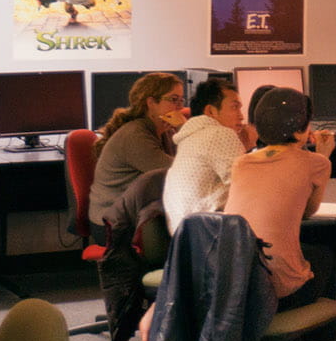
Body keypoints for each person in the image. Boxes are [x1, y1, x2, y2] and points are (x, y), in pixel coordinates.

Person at [222, 87, 336, 341]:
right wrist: (322, 154)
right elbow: (307, 212)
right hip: (274, 292)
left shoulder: (242, 163)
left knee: (312, 259)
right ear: (302, 127)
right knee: (323, 257)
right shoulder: (315, 164)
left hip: (231, 287)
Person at [88, 73, 183, 224]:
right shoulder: (135, 135)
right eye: (173, 100)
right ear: (151, 102)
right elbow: (182, 173)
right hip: (112, 222)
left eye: (181, 100)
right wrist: (184, 128)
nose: (180, 107)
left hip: (136, 212)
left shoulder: (165, 132)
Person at [162, 79, 255, 230]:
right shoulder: (220, 133)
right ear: (210, 111)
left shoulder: (191, 137)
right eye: (234, 107)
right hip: (216, 236)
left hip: (190, 239)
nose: (241, 116)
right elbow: (248, 188)